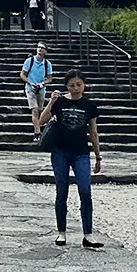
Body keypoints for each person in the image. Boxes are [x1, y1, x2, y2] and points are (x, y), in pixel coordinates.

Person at [40, 69, 103, 248]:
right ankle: (62, 232)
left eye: (79, 85)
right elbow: (42, 120)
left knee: (85, 190)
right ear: (66, 86)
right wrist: (51, 101)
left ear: (84, 85)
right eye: (72, 85)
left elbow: (93, 131)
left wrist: (98, 156)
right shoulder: (59, 101)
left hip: (81, 152)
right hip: (60, 151)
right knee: (62, 190)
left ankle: (88, 234)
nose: (76, 88)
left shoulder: (89, 105)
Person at [20, 43, 54, 132]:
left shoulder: (47, 64)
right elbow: (22, 74)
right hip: (30, 88)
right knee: (34, 110)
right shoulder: (29, 61)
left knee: (39, 111)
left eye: (42, 48)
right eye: (38, 47)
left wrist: (42, 83)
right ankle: (37, 132)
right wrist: (30, 83)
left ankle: (37, 128)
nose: (40, 49)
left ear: (45, 51)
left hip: (41, 89)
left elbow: (50, 78)